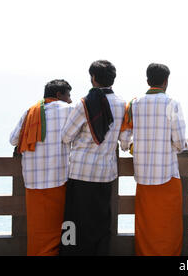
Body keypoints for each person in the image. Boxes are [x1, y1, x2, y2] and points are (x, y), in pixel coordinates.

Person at [59, 60, 127, 256]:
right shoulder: (122, 104)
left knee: (73, 222)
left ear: (93, 78)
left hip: (81, 172)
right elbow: (123, 137)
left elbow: (66, 136)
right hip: (106, 173)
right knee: (101, 223)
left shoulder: (84, 104)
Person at [120, 63, 186, 256]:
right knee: (169, 226)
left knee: (146, 225)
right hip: (167, 174)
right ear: (166, 81)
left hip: (143, 176)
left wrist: (136, 148)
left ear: (148, 81)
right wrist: (167, 147)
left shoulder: (134, 104)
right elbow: (181, 143)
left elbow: (124, 141)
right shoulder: (172, 104)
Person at [9, 79, 73, 256]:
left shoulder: (30, 111)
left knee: (37, 229)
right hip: (58, 178)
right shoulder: (68, 110)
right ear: (59, 95)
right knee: (58, 227)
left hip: (33, 181)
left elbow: (13, 139)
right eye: (68, 95)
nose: (70, 100)